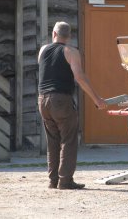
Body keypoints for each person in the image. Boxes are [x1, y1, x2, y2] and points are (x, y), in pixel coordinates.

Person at [38, 21, 107, 190]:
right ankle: (65, 181)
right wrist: (97, 99)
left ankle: (53, 180)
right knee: (68, 140)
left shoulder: (43, 50)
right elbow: (79, 77)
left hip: (42, 100)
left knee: (52, 141)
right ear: (69, 36)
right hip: (61, 100)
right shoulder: (71, 51)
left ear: (54, 33)